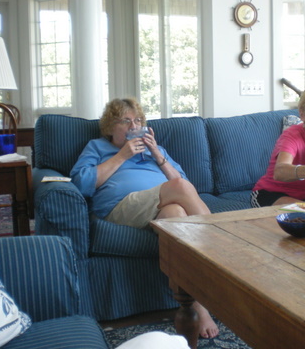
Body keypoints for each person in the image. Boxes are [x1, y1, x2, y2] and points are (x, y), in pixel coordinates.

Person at [70, 97, 219, 339]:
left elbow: (185, 183)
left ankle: (195, 305)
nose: (134, 126)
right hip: (120, 207)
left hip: (160, 205)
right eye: (125, 121)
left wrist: (157, 154)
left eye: (138, 120)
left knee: (175, 215)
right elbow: (81, 184)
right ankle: (220, 245)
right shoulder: (97, 147)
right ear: (110, 127)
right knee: (178, 189)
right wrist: (122, 155)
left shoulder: (156, 150)